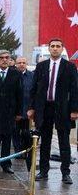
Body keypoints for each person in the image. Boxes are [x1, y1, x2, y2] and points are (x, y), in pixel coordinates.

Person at [28, 38, 78, 184]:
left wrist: (75, 110)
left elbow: (75, 90)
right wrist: (31, 108)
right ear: (49, 49)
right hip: (44, 108)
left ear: (62, 49)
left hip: (62, 108)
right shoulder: (41, 66)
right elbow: (34, 89)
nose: (55, 48)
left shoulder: (69, 67)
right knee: (45, 141)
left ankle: (65, 173)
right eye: (52, 46)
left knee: (64, 141)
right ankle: (43, 171)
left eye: (58, 46)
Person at [13, 56, 34, 162]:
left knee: (26, 132)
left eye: (23, 62)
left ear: (26, 64)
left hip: (27, 109)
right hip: (15, 110)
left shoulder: (32, 76)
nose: (21, 64)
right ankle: (17, 151)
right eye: (19, 62)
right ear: (16, 64)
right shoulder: (12, 75)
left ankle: (26, 150)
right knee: (15, 132)